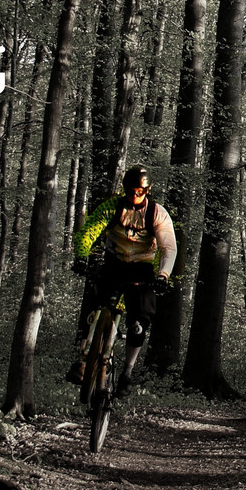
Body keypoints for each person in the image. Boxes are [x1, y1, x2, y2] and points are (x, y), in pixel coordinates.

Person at [67, 164, 176, 396]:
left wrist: (163, 275)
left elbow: (168, 248)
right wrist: (81, 255)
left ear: (147, 191)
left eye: (139, 191)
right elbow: (89, 231)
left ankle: (127, 372)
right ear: (124, 189)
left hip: (142, 268)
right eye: (130, 191)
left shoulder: (157, 213)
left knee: (138, 324)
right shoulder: (111, 207)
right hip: (113, 263)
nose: (134, 196)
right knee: (94, 307)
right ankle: (84, 360)